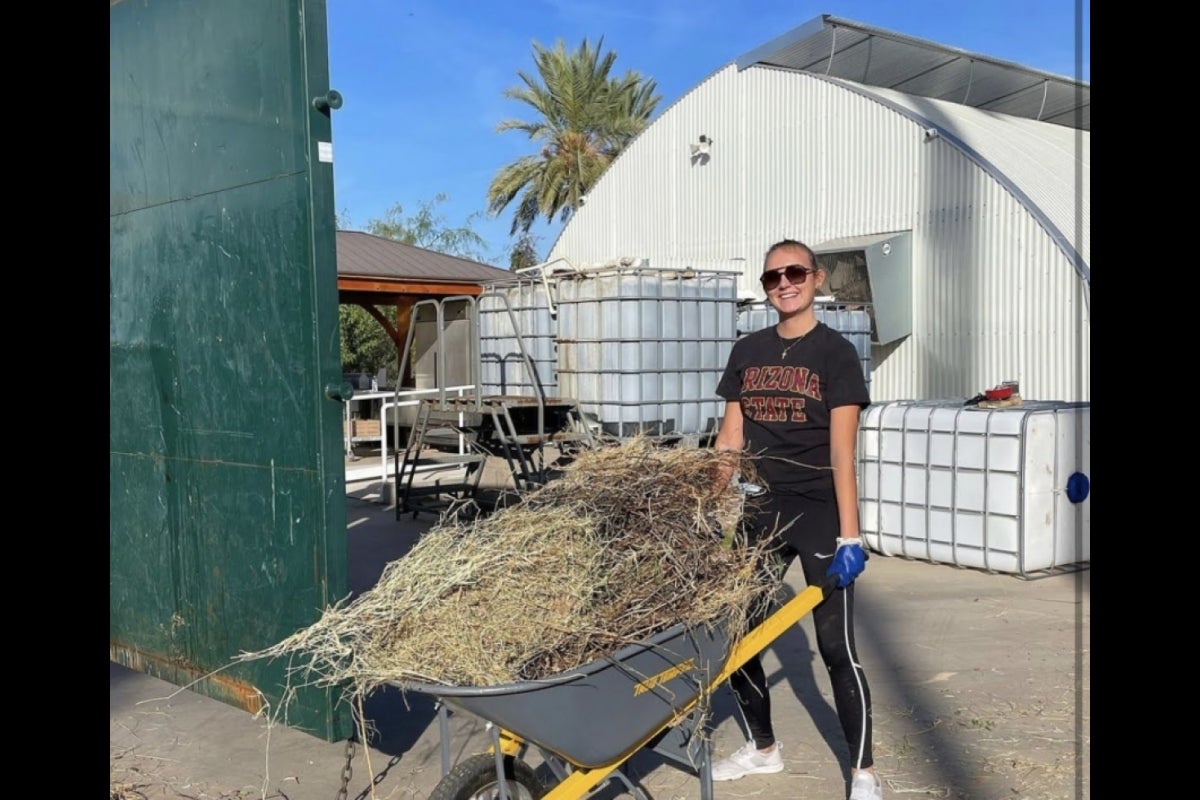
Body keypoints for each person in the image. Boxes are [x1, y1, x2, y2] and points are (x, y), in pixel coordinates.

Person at [710, 238, 882, 800]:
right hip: (761, 510)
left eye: (794, 273)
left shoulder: (834, 354)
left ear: (818, 278)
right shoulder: (748, 350)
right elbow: (730, 438)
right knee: (737, 637)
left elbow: (842, 454)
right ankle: (763, 749)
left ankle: (862, 774)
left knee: (835, 648)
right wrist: (710, 506)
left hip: (819, 515)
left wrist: (851, 535)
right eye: (772, 277)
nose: (784, 283)